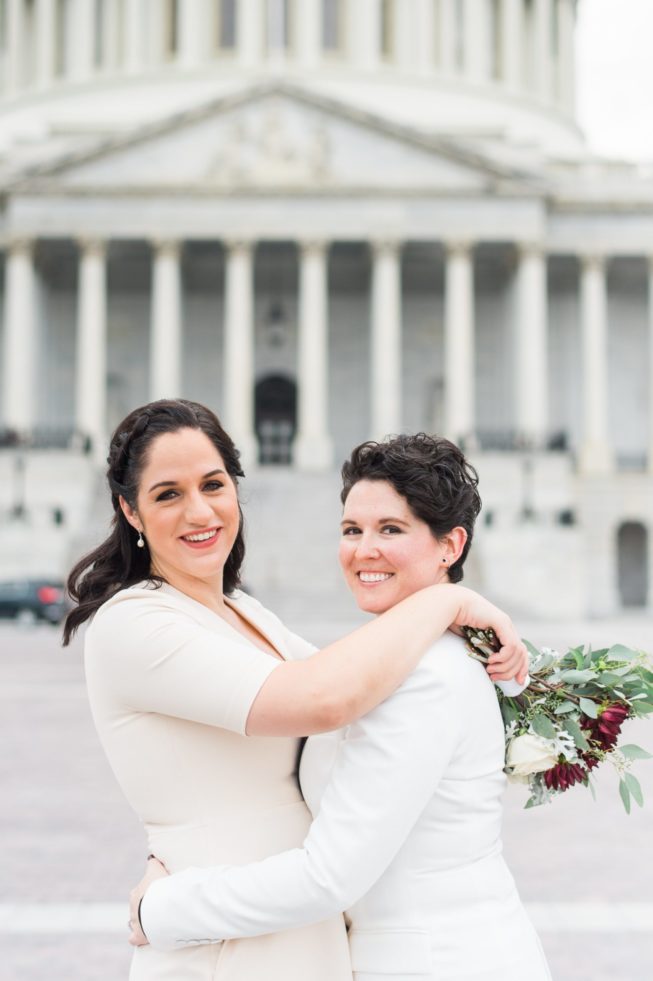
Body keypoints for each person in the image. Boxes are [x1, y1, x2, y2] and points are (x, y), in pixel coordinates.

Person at [64, 400, 526, 981]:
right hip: (224, 941)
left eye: (213, 484)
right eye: (167, 494)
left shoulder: (243, 611)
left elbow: (353, 685)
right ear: (130, 510)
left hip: (299, 932)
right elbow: (323, 699)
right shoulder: (133, 623)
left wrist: (447, 606)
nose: (199, 510)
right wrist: (448, 598)